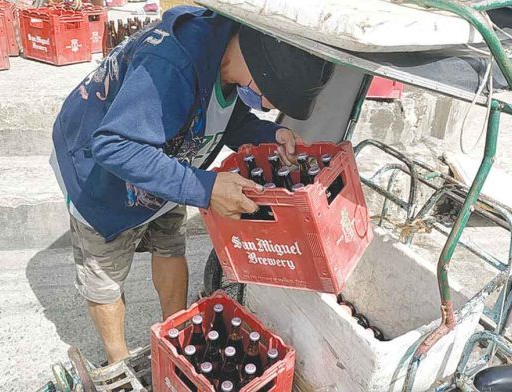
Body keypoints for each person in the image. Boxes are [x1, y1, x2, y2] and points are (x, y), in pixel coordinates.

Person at [49, 6, 333, 364]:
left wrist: (270, 134)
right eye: (273, 97)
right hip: (100, 171)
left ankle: (174, 334)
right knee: (104, 273)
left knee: (169, 245)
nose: (269, 104)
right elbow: (114, 145)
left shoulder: (227, 57)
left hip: (167, 161)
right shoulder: (171, 65)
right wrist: (206, 188)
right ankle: (118, 362)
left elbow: (223, 113)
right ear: (263, 67)